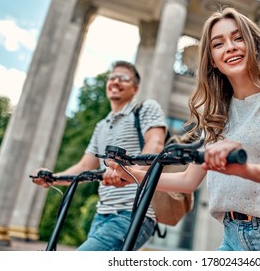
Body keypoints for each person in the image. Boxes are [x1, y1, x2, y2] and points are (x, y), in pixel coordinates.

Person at [103, 7, 260, 251]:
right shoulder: (217, 111)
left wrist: (244, 170)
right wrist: (133, 175)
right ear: (213, 61)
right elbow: (188, 180)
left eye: (238, 38)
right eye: (219, 44)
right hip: (232, 236)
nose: (230, 47)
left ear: (255, 45)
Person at [32, 60, 167, 251]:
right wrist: (53, 178)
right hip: (102, 214)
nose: (115, 81)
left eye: (123, 78)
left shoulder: (145, 108)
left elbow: (155, 143)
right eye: (112, 78)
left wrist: (128, 173)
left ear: (135, 88)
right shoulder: (101, 125)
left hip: (133, 212)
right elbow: (85, 166)